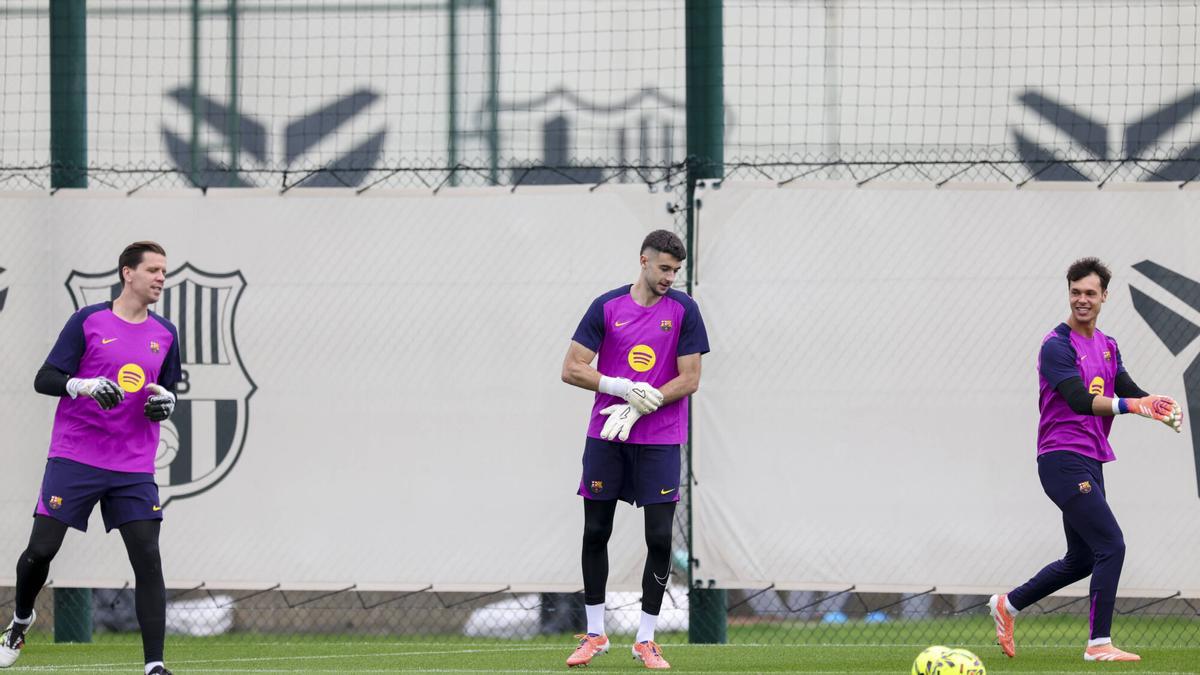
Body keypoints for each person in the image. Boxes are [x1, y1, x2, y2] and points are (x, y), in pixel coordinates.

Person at [0, 242, 182, 675]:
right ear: (127, 273)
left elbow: (169, 389)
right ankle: (21, 620)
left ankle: (154, 665)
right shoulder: (89, 321)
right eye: (153, 270)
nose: (160, 277)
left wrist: (168, 401)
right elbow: (45, 379)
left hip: (133, 465)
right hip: (76, 458)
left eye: (163, 271)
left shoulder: (166, 333)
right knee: (41, 551)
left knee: (148, 557)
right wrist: (82, 386)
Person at [989, 257, 1182, 663]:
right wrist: (1134, 406)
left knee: (1081, 558)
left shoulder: (1108, 345)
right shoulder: (1056, 345)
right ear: (1069, 294)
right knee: (1112, 544)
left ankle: (1008, 606)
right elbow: (1079, 399)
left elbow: (1125, 387)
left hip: (1090, 459)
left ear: (1103, 297)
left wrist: (1155, 404)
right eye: (1075, 292)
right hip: (1061, 459)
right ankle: (1099, 645)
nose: (1082, 299)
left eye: (1090, 293)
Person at [561, 229, 708, 670]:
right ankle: (594, 633)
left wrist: (650, 400)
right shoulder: (607, 307)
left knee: (660, 537)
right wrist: (622, 387)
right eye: (664, 268)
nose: (670, 277)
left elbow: (691, 378)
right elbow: (571, 368)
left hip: (660, 437)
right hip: (608, 434)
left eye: (676, 271)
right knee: (595, 531)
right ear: (643, 261)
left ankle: (646, 639)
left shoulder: (683, 310)